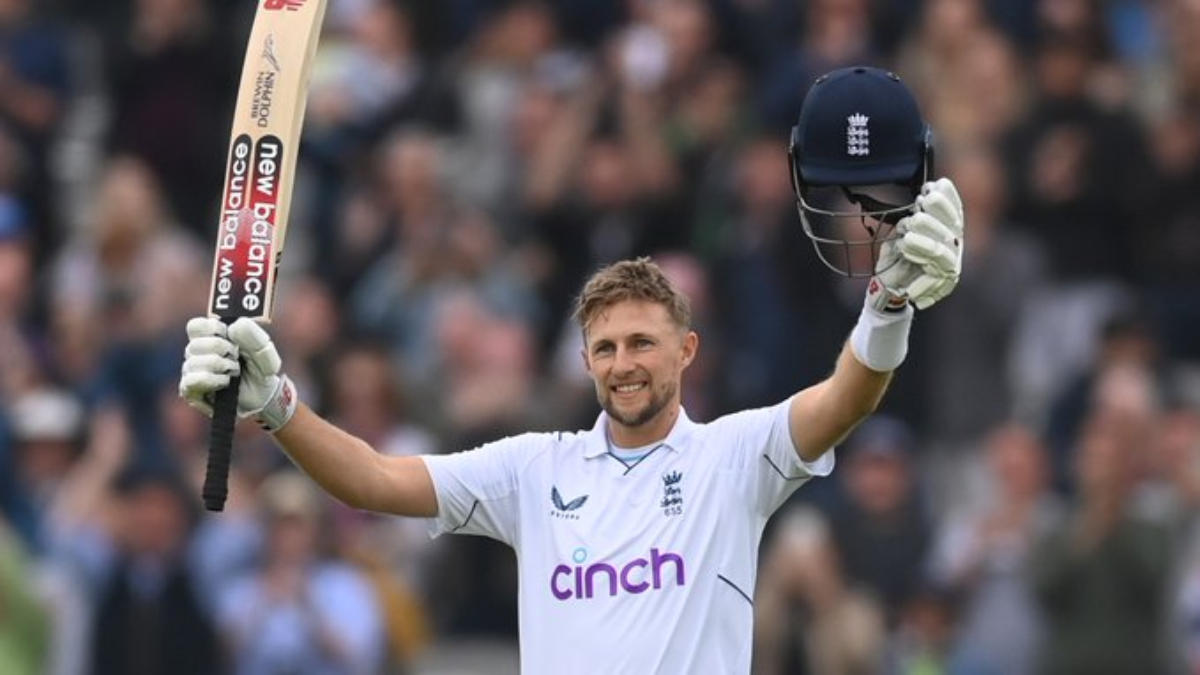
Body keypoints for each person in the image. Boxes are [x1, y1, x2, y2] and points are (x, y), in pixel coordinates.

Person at [179, 66, 964, 674]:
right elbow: (375, 480)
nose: (624, 364)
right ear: (585, 360)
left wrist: (887, 306)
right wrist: (277, 404)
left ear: (686, 351)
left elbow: (847, 398)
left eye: (643, 342)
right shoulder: (533, 468)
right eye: (607, 347)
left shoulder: (734, 457)